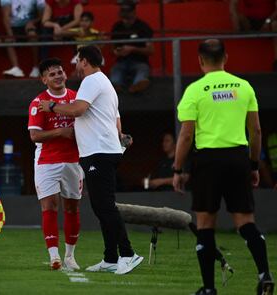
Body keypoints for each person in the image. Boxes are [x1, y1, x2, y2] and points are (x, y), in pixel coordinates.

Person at [173, 39, 274, 295]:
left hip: (207, 161)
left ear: (200, 60)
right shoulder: (244, 87)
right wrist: (252, 164)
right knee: (245, 222)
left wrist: (176, 169)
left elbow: (186, 135)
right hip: (238, 157)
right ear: (225, 58)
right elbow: (256, 131)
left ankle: (208, 288)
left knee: (206, 224)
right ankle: (265, 274)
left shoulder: (195, 91)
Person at [39, 45, 143, 275]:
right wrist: (120, 135)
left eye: (77, 61)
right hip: (99, 151)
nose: (75, 66)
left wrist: (53, 106)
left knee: (105, 206)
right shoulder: (102, 81)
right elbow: (114, 116)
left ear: (85, 61)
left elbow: (78, 109)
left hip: (99, 153)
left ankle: (128, 253)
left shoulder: (92, 80)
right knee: (100, 206)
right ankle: (110, 258)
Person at [28, 58, 83, 270]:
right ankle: (54, 256)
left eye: (60, 72)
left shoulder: (77, 99)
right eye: (52, 74)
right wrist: (61, 131)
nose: (58, 76)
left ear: (66, 74)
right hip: (46, 161)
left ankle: (70, 256)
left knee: (72, 206)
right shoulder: (37, 103)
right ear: (44, 80)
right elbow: (34, 136)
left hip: (73, 160)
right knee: (49, 206)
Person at [110, 1, 154, 94]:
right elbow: (112, 48)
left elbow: (150, 50)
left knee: (142, 74)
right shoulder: (116, 27)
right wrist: (117, 51)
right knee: (115, 75)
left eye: (127, 11)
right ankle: (116, 87)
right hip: (121, 62)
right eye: (122, 11)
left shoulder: (143, 27)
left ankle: (137, 86)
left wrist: (132, 49)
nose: (124, 14)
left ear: (134, 12)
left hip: (140, 61)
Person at [1, 0, 45, 78]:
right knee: (8, 39)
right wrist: (10, 33)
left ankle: (36, 67)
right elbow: (5, 16)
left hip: (31, 25)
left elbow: (42, 15)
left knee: (32, 34)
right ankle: (16, 68)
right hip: (14, 26)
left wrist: (33, 22)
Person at [229, 0, 277, 71]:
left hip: (267, 21)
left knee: (275, 24)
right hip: (248, 22)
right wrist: (235, 20)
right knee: (240, 17)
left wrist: (268, 21)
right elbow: (233, 5)